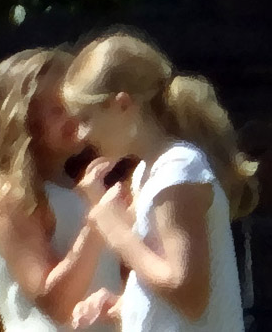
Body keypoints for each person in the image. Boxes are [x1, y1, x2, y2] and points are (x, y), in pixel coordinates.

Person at [63, 27, 259, 331]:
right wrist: (121, 305)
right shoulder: (148, 171)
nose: (81, 135)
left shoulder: (178, 169)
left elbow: (188, 295)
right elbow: (168, 292)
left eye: (86, 118)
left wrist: (115, 228)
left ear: (122, 105)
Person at [0, 48, 122, 331]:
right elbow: (55, 304)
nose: (74, 116)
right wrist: (98, 221)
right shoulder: (12, 195)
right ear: (23, 121)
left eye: (75, 103)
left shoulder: (73, 189)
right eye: (57, 109)